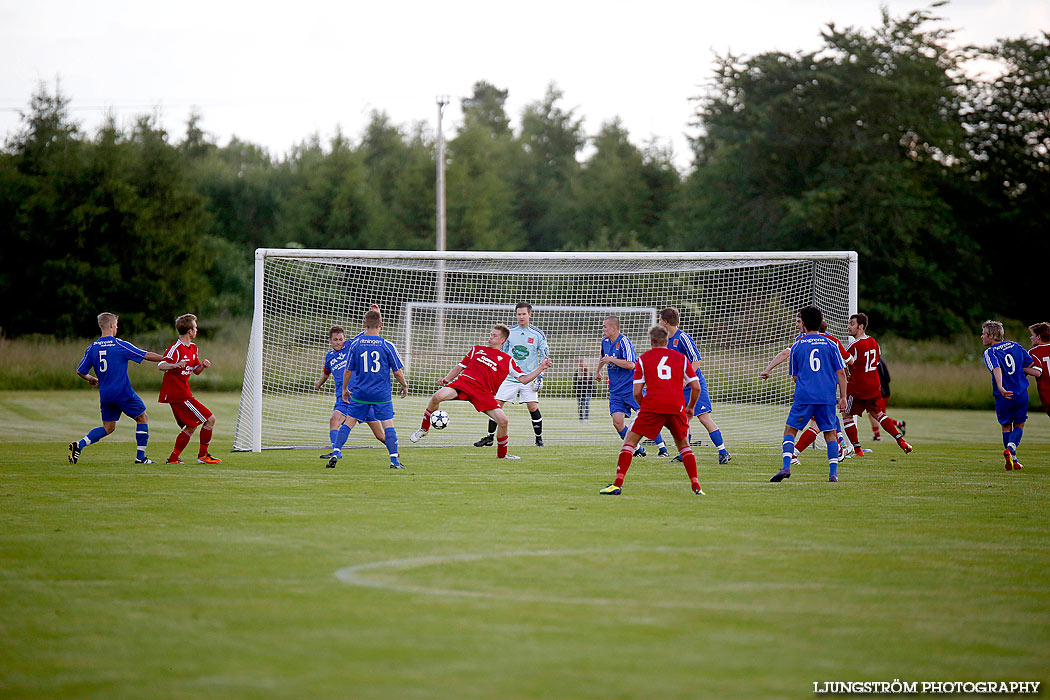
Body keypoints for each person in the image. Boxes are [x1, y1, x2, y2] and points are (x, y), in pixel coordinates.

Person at [410, 324, 552, 459]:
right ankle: (424, 429)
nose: (490, 338)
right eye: (491, 334)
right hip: (464, 384)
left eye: (494, 336)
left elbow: (524, 379)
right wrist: (447, 379)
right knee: (437, 396)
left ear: (502, 340)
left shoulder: (507, 360)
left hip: (484, 393)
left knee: (503, 421)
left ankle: (502, 455)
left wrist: (541, 368)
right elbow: (460, 367)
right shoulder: (476, 350)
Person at [599, 325, 705, 496]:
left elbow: (636, 391)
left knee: (629, 443)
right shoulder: (681, 358)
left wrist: (644, 407)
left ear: (651, 342)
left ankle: (617, 484)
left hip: (652, 405)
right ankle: (696, 486)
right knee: (684, 446)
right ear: (667, 341)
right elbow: (696, 386)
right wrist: (690, 407)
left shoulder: (644, 359)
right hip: (676, 406)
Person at [68, 312, 168, 465]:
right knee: (142, 418)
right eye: (116, 325)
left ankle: (79, 445)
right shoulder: (119, 344)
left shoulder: (92, 347)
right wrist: (167, 358)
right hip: (122, 392)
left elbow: (80, 371)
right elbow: (146, 355)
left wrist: (91, 378)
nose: (117, 328)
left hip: (106, 394)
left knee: (108, 427)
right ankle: (140, 458)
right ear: (111, 325)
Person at [770, 306, 849, 483]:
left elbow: (795, 376)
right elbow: (841, 373)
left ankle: (786, 466)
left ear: (803, 323)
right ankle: (833, 473)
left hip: (804, 396)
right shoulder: (830, 344)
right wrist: (843, 397)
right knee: (830, 432)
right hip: (826, 397)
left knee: (790, 429)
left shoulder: (798, 345)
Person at [335, 309, 409, 469]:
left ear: (364, 325)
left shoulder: (356, 345)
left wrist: (345, 389)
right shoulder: (387, 345)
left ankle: (335, 451)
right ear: (381, 325)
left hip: (360, 392)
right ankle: (394, 460)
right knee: (388, 425)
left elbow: (348, 370)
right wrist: (404, 385)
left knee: (349, 422)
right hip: (381, 394)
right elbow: (397, 371)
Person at [659, 307, 730, 464]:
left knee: (704, 418)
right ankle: (684, 454)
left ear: (665, 322)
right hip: (679, 388)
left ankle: (723, 451)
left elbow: (696, 359)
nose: (659, 322)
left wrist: (688, 378)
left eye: (660, 319)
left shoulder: (682, 337)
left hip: (694, 386)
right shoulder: (665, 340)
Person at [474, 303, 550, 447]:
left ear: (530, 315)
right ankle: (490, 438)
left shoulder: (537, 334)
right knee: (496, 405)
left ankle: (539, 439)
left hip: (529, 377)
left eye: (524, 314)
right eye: (518, 314)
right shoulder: (510, 332)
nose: (521, 317)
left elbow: (545, 354)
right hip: (510, 376)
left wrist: (541, 374)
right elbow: (501, 352)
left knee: (533, 407)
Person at [595, 316, 668, 457]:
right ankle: (639, 449)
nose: (602, 329)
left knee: (646, 416)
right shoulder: (604, 341)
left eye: (605, 326)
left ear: (614, 328)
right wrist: (598, 371)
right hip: (615, 391)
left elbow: (631, 364)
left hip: (631, 388)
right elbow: (603, 356)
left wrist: (612, 360)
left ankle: (662, 448)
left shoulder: (624, 342)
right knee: (617, 422)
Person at [840, 313, 912, 456]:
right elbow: (876, 363)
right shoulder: (874, 342)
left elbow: (845, 363)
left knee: (846, 415)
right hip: (874, 386)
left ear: (861, 326)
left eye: (852, 324)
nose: (848, 327)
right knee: (878, 413)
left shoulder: (853, 345)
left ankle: (858, 450)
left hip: (858, 387)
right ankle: (901, 441)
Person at [157, 313, 222, 465]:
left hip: (183, 392)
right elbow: (160, 365)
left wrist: (202, 366)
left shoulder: (193, 348)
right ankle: (203, 456)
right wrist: (174, 365)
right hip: (178, 394)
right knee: (210, 419)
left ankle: (173, 459)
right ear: (189, 331)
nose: (197, 330)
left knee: (192, 425)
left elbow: (196, 371)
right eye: (195, 328)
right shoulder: (176, 348)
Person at [981, 320, 1041, 470]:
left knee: (1006, 426)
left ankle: (1011, 454)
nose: (981, 337)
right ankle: (1012, 452)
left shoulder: (990, 352)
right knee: (1019, 424)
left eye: (983, 333)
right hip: (1021, 393)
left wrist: (1001, 386)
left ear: (990, 335)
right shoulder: (1015, 345)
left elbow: (996, 368)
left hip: (1003, 396)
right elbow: (1028, 364)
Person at [1028, 322, 1050, 419]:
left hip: (1047, 393)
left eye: (1032, 335)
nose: (1030, 337)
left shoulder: (1034, 352)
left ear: (1039, 337)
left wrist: (1021, 368)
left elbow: (1037, 372)